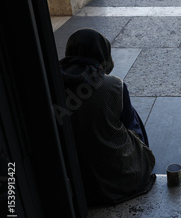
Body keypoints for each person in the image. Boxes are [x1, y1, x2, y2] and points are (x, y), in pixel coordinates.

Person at [59, 28, 156, 205]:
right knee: (130, 113)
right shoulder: (112, 85)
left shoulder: (52, 82)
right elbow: (129, 123)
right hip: (121, 180)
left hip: (75, 181)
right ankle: (142, 156)